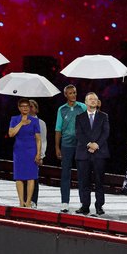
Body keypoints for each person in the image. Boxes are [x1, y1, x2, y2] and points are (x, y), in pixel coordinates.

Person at [75, 92, 110, 215]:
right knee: (84, 181)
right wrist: (89, 144)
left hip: (99, 153)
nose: (93, 101)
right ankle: (85, 206)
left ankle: (99, 206)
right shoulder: (79, 117)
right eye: (90, 99)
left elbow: (105, 133)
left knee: (99, 181)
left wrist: (96, 145)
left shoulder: (104, 116)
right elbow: (79, 134)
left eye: (95, 99)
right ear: (85, 102)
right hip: (84, 153)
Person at [55, 84, 87, 212]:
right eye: (70, 93)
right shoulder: (61, 109)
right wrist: (57, 147)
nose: (73, 95)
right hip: (66, 144)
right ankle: (64, 202)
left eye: (74, 92)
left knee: (82, 174)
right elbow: (58, 129)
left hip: (81, 145)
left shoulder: (83, 107)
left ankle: (83, 202)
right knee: (65, 173)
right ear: (66, 95)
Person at [8, 98, 42, 207]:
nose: (25, 108)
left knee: (31, 176)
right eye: (22, 106)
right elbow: (11, 134)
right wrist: (21, 123)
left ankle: (28, 202)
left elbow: (38, 139)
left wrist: (38, 154)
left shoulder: (35, 121)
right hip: (19, 150)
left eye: (27, 106)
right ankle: (21, 201)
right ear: (19, 108)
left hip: (31, 150)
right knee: (19, 176)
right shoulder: (14, 119)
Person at [29, 99, 47, 208]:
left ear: (36, 109)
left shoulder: (41, 123)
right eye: (28, 106)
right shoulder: (22, 121)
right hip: (24, 153)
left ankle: (33, 201)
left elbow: (43, 140)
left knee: (34, 178)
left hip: (35, 153)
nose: (30, 108)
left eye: (32, 106)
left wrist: (41, 155)